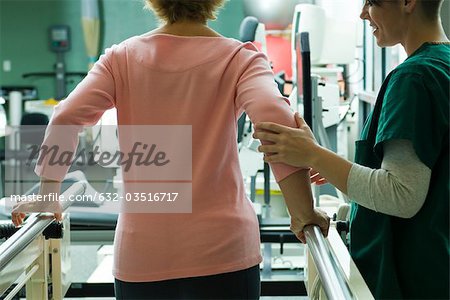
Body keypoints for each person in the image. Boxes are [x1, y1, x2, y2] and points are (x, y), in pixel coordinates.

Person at [11, 1, 330, 299]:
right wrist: (302, 211)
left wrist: (49, 192)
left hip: (143, 257)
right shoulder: (239, 59)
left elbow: (66, 116)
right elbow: (276, 120)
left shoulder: (120, 58)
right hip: (225, 253)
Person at [254, 0, 449, 298]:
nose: (362, 13)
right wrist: (331, 164)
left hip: (413, 280)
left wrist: (311, 154)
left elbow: (402, 195)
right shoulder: (442, 65)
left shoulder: (413, 78)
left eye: (372, 2)